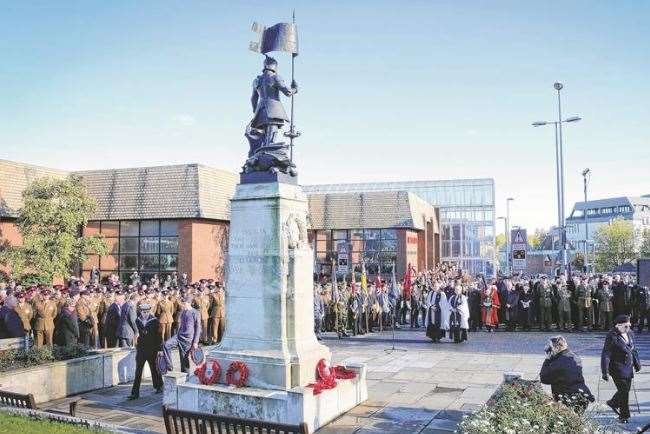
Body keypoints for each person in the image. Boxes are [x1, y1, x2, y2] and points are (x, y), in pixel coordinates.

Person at [601, 314, 641, 424]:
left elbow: (633, 349)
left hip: (628, 368)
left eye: (629, 325)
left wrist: (637, 364)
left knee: (625, 390)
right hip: (617, 368)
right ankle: (624, 416)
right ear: (618, 325)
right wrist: (605, 371)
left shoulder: (630, 333)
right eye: (626, 326)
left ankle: (613, 402)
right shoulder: (612, 336)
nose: (628, 328)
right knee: (624, 392)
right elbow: (606, 354)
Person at [539, 335, 594, 414]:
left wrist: (548, 359)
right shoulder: (574, 356)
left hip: (569, 400)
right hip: (581, 395)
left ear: (556, 348)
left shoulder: (558, 364)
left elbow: (544, 378)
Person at [127, 304, 163, 400]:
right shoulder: (137, 321)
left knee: (154, 369)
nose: (145, 314)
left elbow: (159, 337)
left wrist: (160, 349)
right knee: (138, 371)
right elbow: (138, 333)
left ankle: (158, 386)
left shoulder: (155, 321)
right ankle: (135, 393)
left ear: (149, 311)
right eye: (143, 312)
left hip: (152, 349)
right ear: (141, 312)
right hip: (141, 349)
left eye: (147, 312)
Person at [162, 295, 201, 373]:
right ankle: (169, 366)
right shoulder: (183, 312)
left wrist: (195, 342)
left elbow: (198, 328)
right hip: (179, 336)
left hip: (188, 339)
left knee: (184, 359)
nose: (182, 304)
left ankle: (185, 377)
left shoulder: (195, 313)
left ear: (188, 303)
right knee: (166, 345)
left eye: (184, 303)